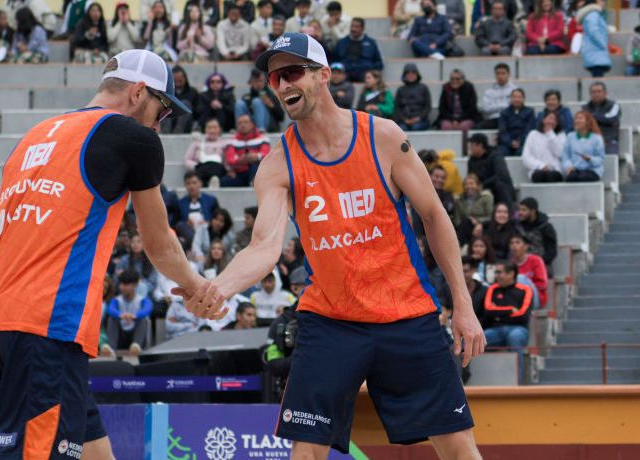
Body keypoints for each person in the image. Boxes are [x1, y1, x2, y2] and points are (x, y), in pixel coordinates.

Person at [185, 32, 485, 459]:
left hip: (406, 312)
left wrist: (464, 305)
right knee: (305, 451)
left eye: (292, 73)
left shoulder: (382, 136)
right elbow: (264, 247)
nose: (283, 85)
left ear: (323, 75)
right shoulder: (276, 165)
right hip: (331, 320)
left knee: (457, 446)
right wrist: (217, 289)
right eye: (274, 79)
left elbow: (435, 216)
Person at [0, 49, 221, 459]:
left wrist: (0, 366)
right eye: (162, 112)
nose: (160, 126)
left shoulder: (33, 138)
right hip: (50, 326)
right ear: (138, 92)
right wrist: (201, 289)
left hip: (6, 324)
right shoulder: (132, 138)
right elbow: (158, 242)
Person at [483, 261, 533, 382]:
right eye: (496, 272)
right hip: (495, 330)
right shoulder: (492, 289)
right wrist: (510, 310)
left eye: (499, 272)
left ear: (511, 274)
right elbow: (488, 311)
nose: (496, 276)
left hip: (519, 329)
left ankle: (517, 384)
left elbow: (523, 316)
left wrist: (498, 314)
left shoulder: (526, 290)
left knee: (515, 337)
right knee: (477, 340)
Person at [222, 114, 271, 187]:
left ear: (252, 124)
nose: (242, 125)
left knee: (255, 165)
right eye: (240, 123)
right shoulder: (231, 142)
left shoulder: (263, 139)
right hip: (239, 173)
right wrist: (242, 159)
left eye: (245, 122)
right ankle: (253, 183)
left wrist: (256, 156)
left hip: (258, 171)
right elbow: (230, 160)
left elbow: (267, 156)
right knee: (224, 181)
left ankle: (254, 182)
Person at [467, 133, 514, 206]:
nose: (470, 148)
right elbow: (471, 176)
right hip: (481, 190)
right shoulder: (471, 160)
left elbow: (501, 175)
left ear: (480, 145)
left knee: (500, 185)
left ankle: (510, 211)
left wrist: (483, 185)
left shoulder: (495, 156)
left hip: (496, 189)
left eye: (472, 145)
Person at [332, 17, 382, 82]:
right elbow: (334, 60)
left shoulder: (371, 43)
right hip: (345, 73)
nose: (353, 29)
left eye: (356, 27)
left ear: (363, 28)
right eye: (352, 26)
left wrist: (370, 67)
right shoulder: (342, 42)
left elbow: (379, 63)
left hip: (364, 73)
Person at [236, 68, 285, 133]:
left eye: (260, 81)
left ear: (265, 82)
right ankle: (240, 129)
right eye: (255, 81)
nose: (258, 84)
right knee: (239, 103)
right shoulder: (246, 97)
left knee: (257, 102)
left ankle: (261, 129)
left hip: (268, 126)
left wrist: (271, 105)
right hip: (251, 125)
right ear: (250, 82)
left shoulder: (270, 95)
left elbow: (281, 117)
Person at [562, 110, 605, 182]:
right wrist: (568, 166)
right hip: (575, 170)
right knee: (571, 178)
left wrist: (590, 159)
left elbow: (600, 158)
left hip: (592, 170)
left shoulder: (597, 138)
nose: (577, 121)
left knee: (583, 178)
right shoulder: (570, 136)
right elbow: (565, 156)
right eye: (576, 118)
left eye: (580, 118)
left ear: (587, 122)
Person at [522, 111, 566, 182]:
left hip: (556, 170)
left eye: (554, 120)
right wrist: (541, 166)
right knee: (539, 175)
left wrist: (550, 134)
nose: (551, 121)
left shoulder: (561, 135)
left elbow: (560, 153)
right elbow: (526, 157)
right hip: (537, 169)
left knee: (552, 176)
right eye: (549, 118)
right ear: (543, 120)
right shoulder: (533, 134)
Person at [185, 118, 228, 186]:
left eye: (214, 127)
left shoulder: (225, 144)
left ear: (219, 129)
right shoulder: (197, 143)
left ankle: (213, 182)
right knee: (198, 173)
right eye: (209, 128)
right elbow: (187, 159)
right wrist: (196, 166)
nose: (212, 130)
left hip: (218, 168)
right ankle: (205, 183)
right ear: (205, 130)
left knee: (218, 170)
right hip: (202, 167)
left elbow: (227, 161)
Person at [516, 197, 557, 266]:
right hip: (521, 264)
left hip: (541, 264)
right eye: (519, 210)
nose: (520, 213)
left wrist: (538, 263)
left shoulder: (546, 227)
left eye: (523, 210)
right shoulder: (518, 226)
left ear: (533, 211)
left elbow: (551, 251)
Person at [436, 69, 480, 134]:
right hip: (449, 119)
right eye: (452, 79)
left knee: (464, 126)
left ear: (463, 79)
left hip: (467, 117)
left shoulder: (469, 88)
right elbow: (442, 109)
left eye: (457, 79)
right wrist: (453, 120)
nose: (454, 81)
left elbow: (472, 108)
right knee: (446, 126)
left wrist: (458, 120)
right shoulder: (446, 88)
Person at [581, 82, 620, 155]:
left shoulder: (614, 105)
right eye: (593, 92)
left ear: (605, 93)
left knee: (609, 157)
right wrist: (601, 117)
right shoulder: (585, 107)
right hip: (590, 141)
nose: (596, 94)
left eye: (599, 91)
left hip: (608, 140)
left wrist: (592, 116)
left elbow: (611, 119)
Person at [454, 174, 494, 243]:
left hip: (483, 226)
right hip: (464, 228)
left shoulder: (486, 197)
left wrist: (478, 221)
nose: (469, 186)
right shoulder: (459, 200)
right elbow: (457, 220)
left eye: (472, 183)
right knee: (465, 222)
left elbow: (490, 216)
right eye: (466, 184)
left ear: (477, 185)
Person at [576, 0, 610, 77]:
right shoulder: (593, 14)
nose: (604, 2)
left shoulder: (594, 14)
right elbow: (593, 31)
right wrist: (603, 44)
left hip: (595, 53)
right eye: (601, 0)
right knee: (597, 80)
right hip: (596, 54)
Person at [476, 63, 516, 130]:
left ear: (508, 75)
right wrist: (504, 105)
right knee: (477, 127)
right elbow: (486, 109)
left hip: (509, 119)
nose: (500, 76)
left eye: (503, 73)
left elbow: (513, 107)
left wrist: (494, 106)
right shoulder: (489, 91)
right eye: (498, 73)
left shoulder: (514, 90)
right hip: (493, 119)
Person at [497, 88, 535, 157]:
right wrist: (510, 142)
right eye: (514, 97)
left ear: (523, 99)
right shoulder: (504, 112)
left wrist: (519, 141)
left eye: (519, 97)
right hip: (507, 143)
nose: (516, 99)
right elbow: (502, 131)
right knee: (500, 153)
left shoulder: (529, 112)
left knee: (522, 152)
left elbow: (529, 129)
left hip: (523, 142)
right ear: (511, 98)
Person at [394, 62, 431, 131]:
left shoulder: (424, 88)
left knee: (416, 127)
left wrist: (419, 118)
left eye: (413, 72)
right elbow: (397, 108)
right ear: (404, 75)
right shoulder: (400, 90)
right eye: (408, 73)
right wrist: (404, 119)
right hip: (404, 120)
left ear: (417, 74)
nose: (411, 75)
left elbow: (427, 107)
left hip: (421, 119)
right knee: (402, 129)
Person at [162, 66, 197, 134]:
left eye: (180, 80)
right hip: (169, 119)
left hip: (186, 121)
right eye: (175, 81)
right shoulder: (166, 92)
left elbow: (197, 111)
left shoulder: (193, 92)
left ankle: (178, 130)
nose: (177, 83)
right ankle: (166, 131)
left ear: (185, 79)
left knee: (185, 104)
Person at [625, 9, 640, 76]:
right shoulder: (635, 36)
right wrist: (634, 60)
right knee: (629, 71)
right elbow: (628, 55)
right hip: (639, 64)